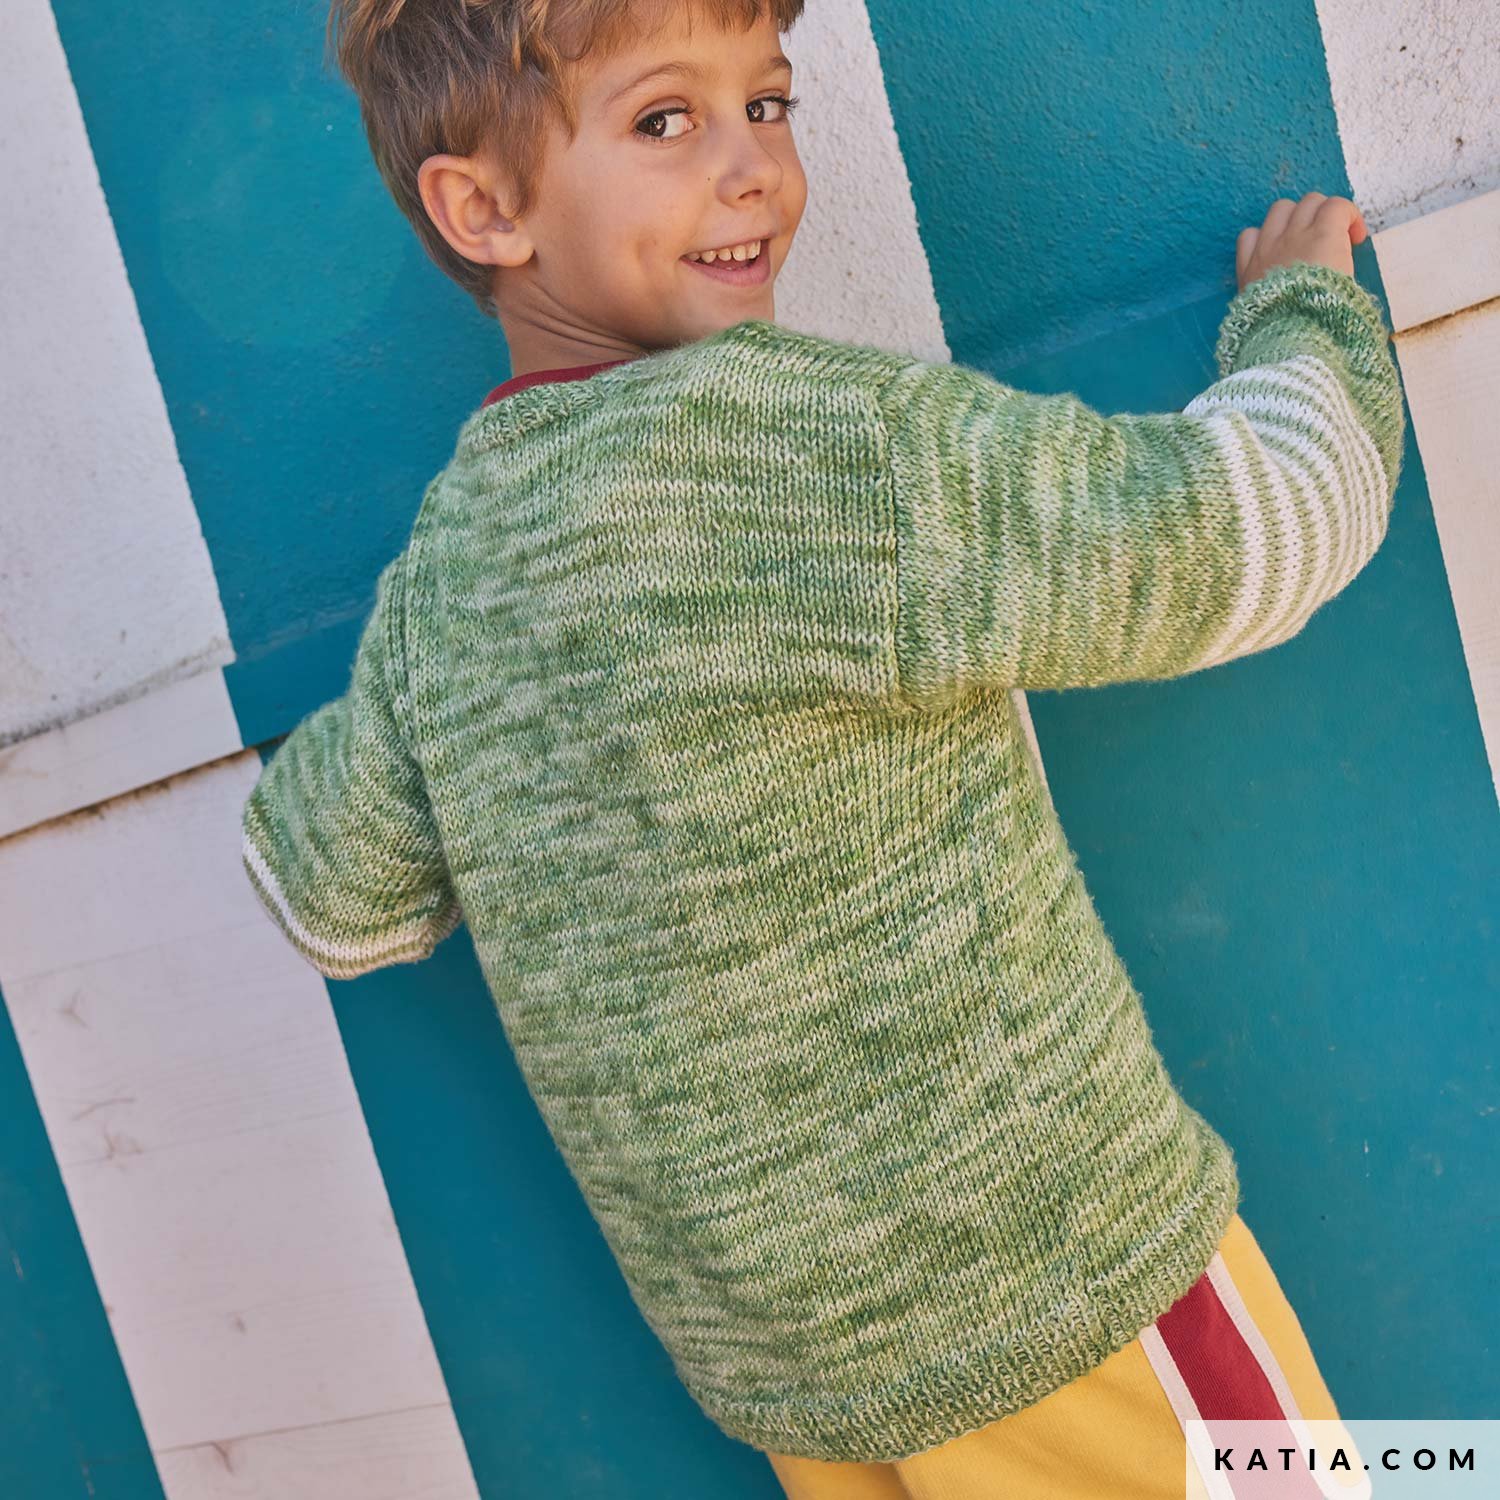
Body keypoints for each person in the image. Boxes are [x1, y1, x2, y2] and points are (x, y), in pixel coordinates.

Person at [239, 0, 1404, 1492]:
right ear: (483, 210)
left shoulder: (451, 579)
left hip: (805, 1392)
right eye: (667, 120)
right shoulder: (804, 447)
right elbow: (1254, 527)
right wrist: (1304, 317)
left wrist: (439, 700)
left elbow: (332, 903)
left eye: (768, 104)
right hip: (1064, 1299)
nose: (754, 168)